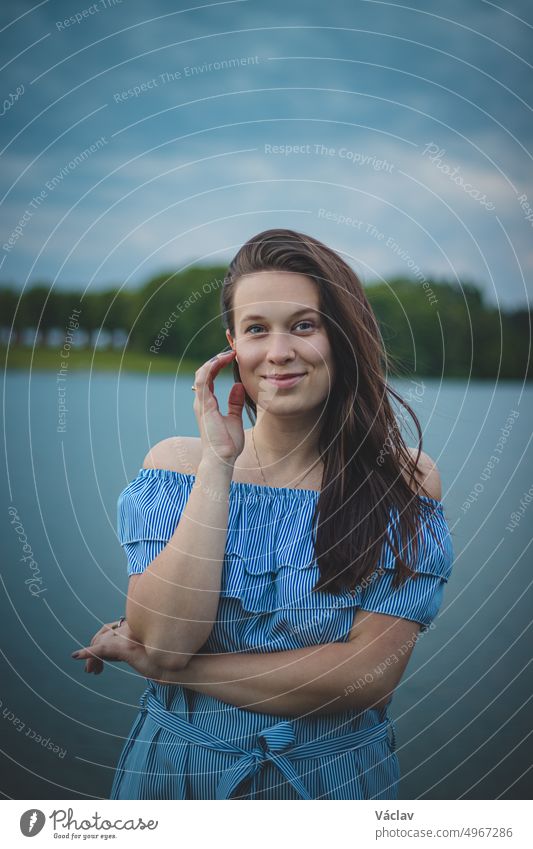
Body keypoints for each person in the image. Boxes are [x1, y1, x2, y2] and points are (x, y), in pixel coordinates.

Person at [72, 228, 454, 800]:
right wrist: (219, 467)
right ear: (232, 346)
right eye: (257, 329)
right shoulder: (179, 466)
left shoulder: (403, 478)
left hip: (331, 787)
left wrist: (173, 671)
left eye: (303, 325)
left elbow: (366, 677)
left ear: (340, 339)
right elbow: (168, 638)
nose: (278, 352)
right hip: (178, 777)